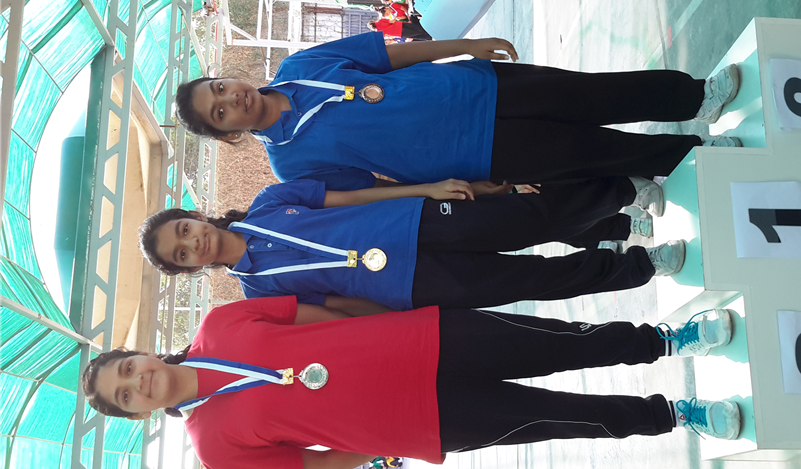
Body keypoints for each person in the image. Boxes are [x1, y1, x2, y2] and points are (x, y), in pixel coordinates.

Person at [81, 296, 740, 469]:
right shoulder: (213, 449)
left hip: (426, 340)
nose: (138, 381)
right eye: (126, 395)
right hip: (429, 419)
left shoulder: (221, 323)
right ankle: (676, 414)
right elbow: (310, 467)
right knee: (557, 416)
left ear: (139, 353)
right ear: (137, 414)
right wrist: (379, 441)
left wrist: (391, 327)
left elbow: (316, 315)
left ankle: (666, 340)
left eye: (127, 369)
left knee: (561, 342)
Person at [172, 34, 742, 193]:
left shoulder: (301, 66)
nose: (232, 99)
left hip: (477, 88)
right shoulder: (291, 165)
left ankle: (695, 97)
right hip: (474, 153)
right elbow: (374, 188)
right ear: (227, 132)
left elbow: (389, 56)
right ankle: (694, 156)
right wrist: (449, 188)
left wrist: (464, 46)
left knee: (593, 95)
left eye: (221, 88)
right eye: (219, 112)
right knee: (592, 153)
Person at [137, 176, 682, 312]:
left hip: (416, 223)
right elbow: (339, 306)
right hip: (415, 285)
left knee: (531, 218)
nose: (193, 243)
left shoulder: (270, 202)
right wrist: (404, 318)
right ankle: (642, 265)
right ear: (189, 269)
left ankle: (624, 192)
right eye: (181, 255)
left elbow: (355, 196)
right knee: (535, 281)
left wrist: (427, 189)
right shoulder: (259, 293)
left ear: (193, 216)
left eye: (183, 230)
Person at [367, 17, 432, 42]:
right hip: (400, 25)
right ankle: (430, 29)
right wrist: (395, 17)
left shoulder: (379, 33)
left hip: (399, 33)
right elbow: (392, 21)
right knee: (415, 27)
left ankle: (429, 37)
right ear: (373, 21)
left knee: (416, 35)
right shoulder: (380, 21)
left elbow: (389, 37)